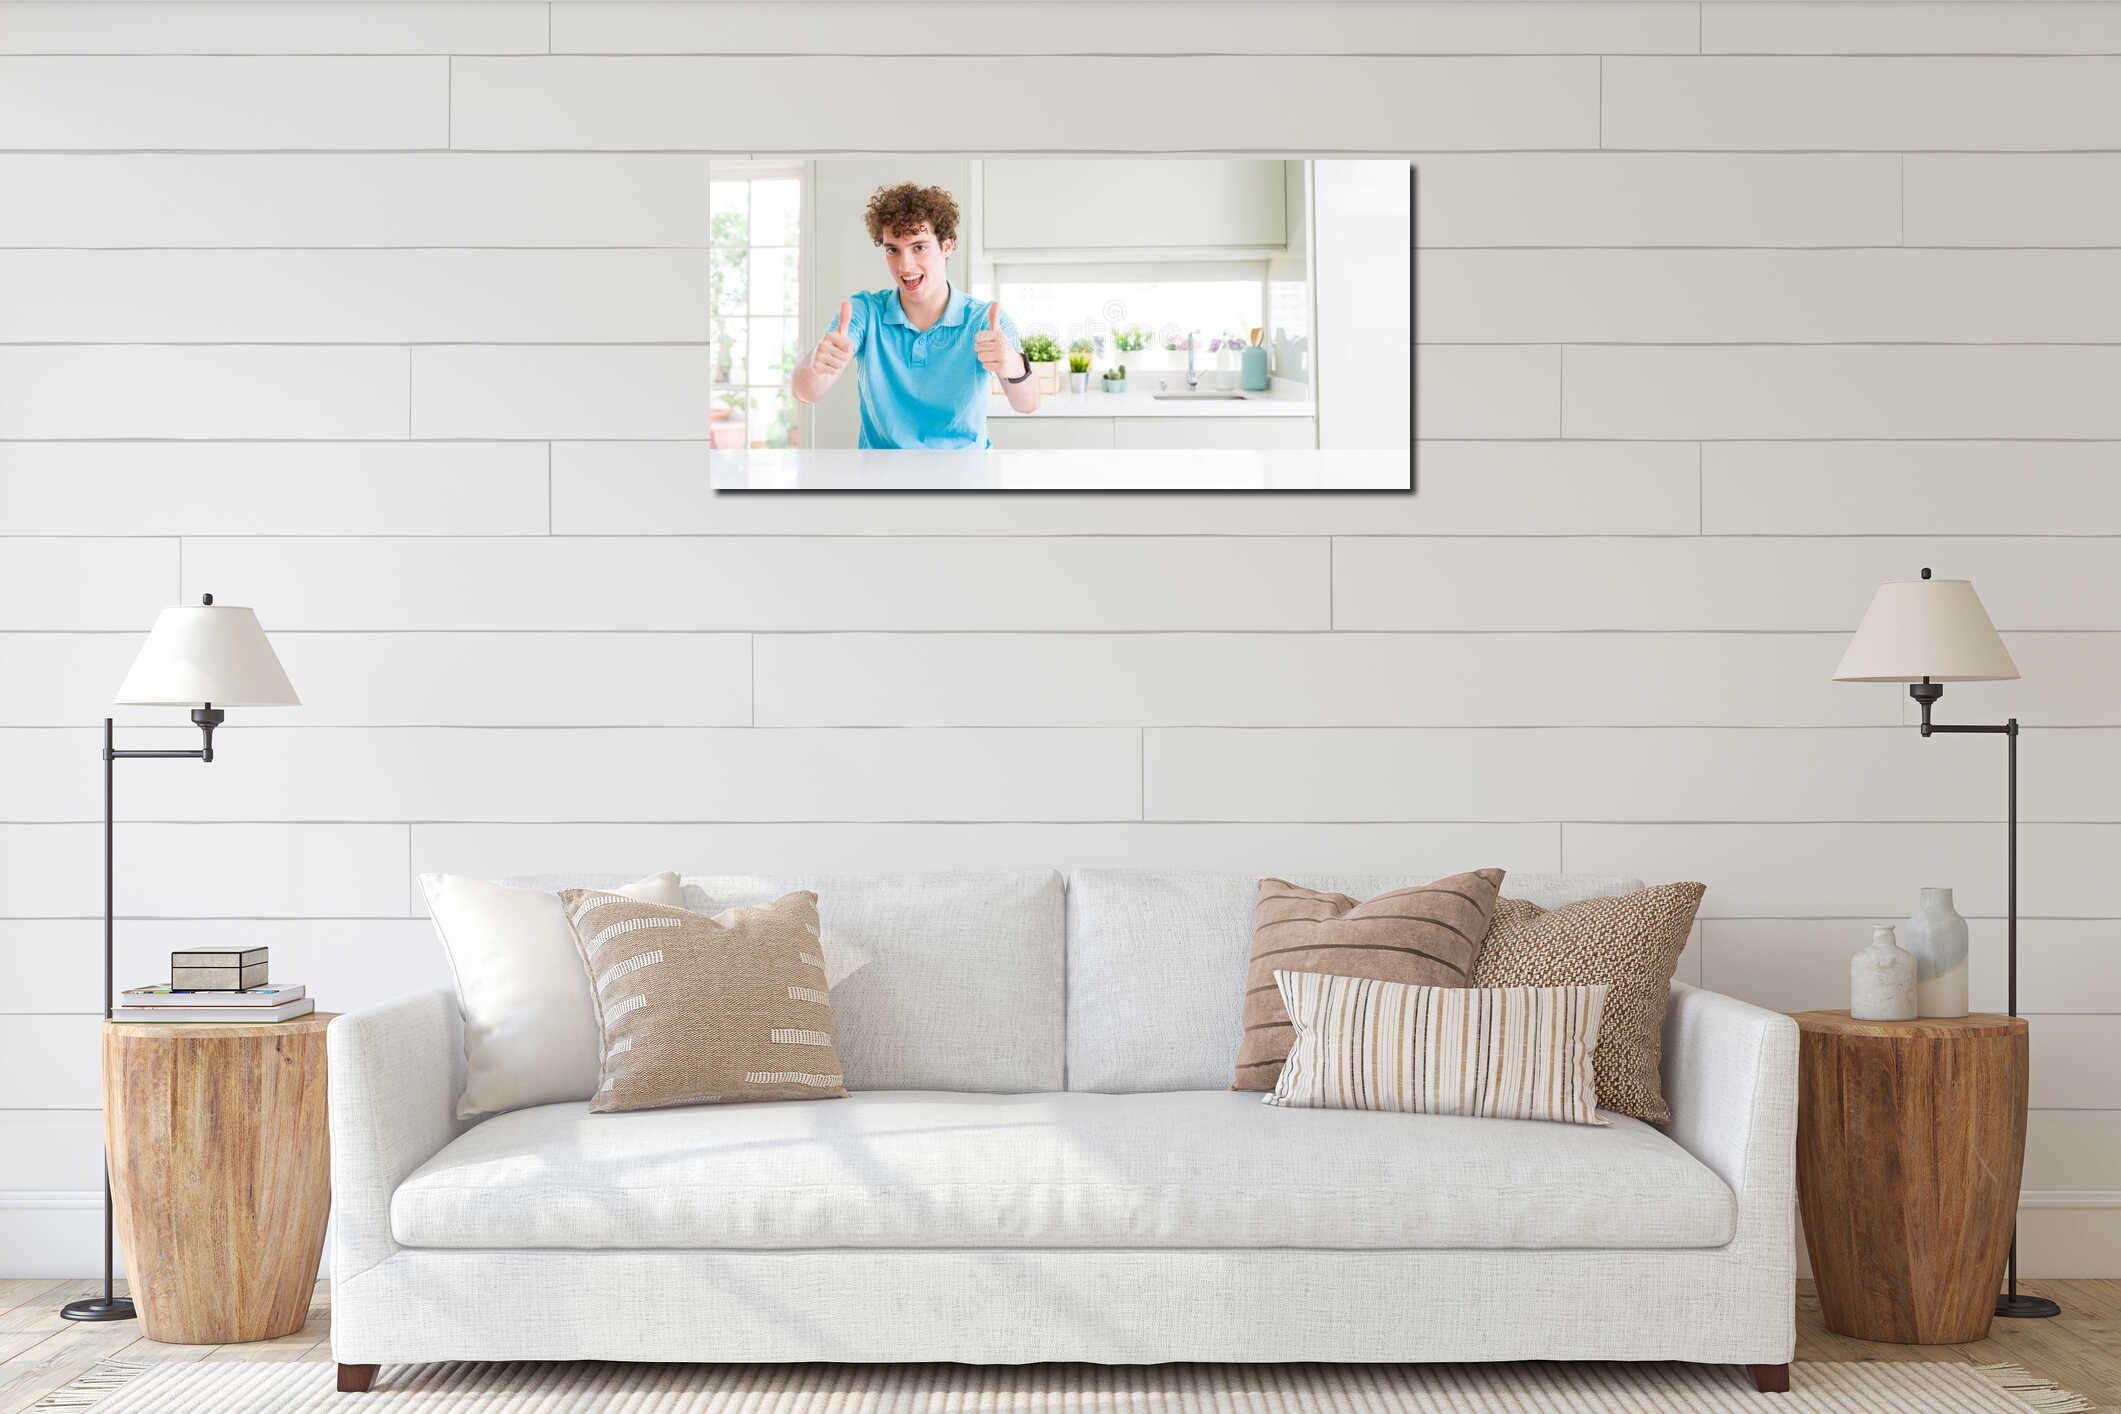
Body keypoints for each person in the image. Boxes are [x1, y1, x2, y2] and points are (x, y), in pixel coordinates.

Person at [789, 182, 1042, 448]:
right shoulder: (864, 312)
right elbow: (804, 391)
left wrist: (1013, 365)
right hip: (882, 471)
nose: (904, 265)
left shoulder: (984, 319)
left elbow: (1028, 403)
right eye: (893, 250)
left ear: (947, 246)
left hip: (964, 470)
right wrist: (818, 367)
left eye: (919, 247)